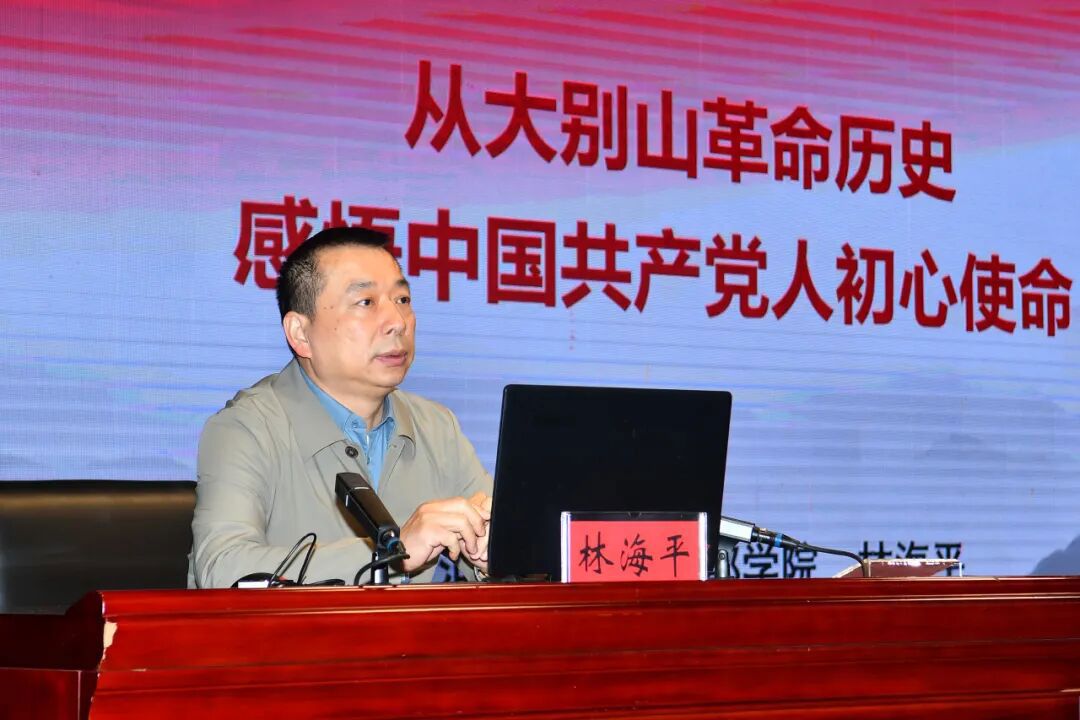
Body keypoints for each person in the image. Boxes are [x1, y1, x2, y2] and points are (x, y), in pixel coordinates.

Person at [188, 226, 492, 588]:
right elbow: (222, 568)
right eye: (366, 303)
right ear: (300, 334)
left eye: (402, 299)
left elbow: (507, 549)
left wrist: (495, 548)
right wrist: (389, 554)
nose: (397, 322)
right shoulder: (246, 428)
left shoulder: (438, 427)